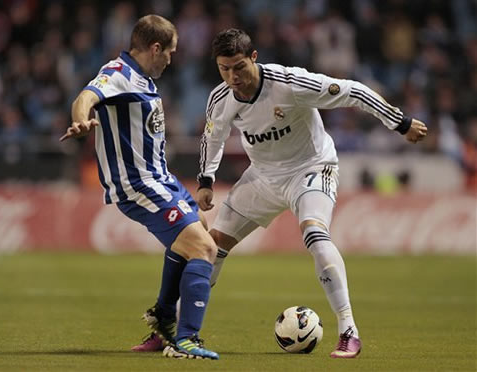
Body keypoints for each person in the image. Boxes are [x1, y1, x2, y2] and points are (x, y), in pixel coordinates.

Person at [196, 29, 428, 359]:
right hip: (263, 177)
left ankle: (349, 331)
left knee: (315, 234)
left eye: (238, 67)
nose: (232, 77)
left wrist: (400, 122)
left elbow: (355, 91)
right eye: (224, 69)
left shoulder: (290, 83)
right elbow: (213, 137)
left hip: (311, 168)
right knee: (210, 245)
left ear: (254, 58)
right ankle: (180, 330)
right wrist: (206, 180)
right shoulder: (221, 98)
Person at [60, 15, 219, 360]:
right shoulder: (118, 73)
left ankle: (163, 322)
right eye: (170, 52)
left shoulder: (143, 79)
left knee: (200, 232)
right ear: (155, 48)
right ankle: (186, 340)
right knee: (204, 249)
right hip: (139, 187)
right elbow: (86, 96)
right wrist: (80, 120)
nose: (171, 60)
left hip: (162, 179)